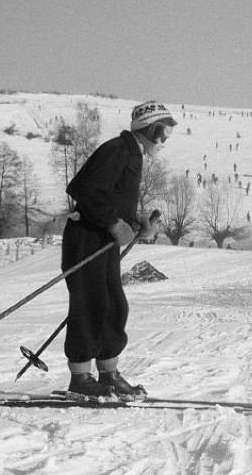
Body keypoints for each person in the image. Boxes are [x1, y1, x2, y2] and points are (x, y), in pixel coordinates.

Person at [62, 101, 177, 399]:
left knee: (113, 305)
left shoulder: (132, 154)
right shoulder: (117, 150)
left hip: (103, 240)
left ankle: (108, 373)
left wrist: (136, 221)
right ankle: (80, 378)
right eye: (163, 133)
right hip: (87, 238)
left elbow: (109, 195)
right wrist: (114, 223)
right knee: (89, 306)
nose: (165, 141)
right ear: (151, 130)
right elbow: (85, 191)